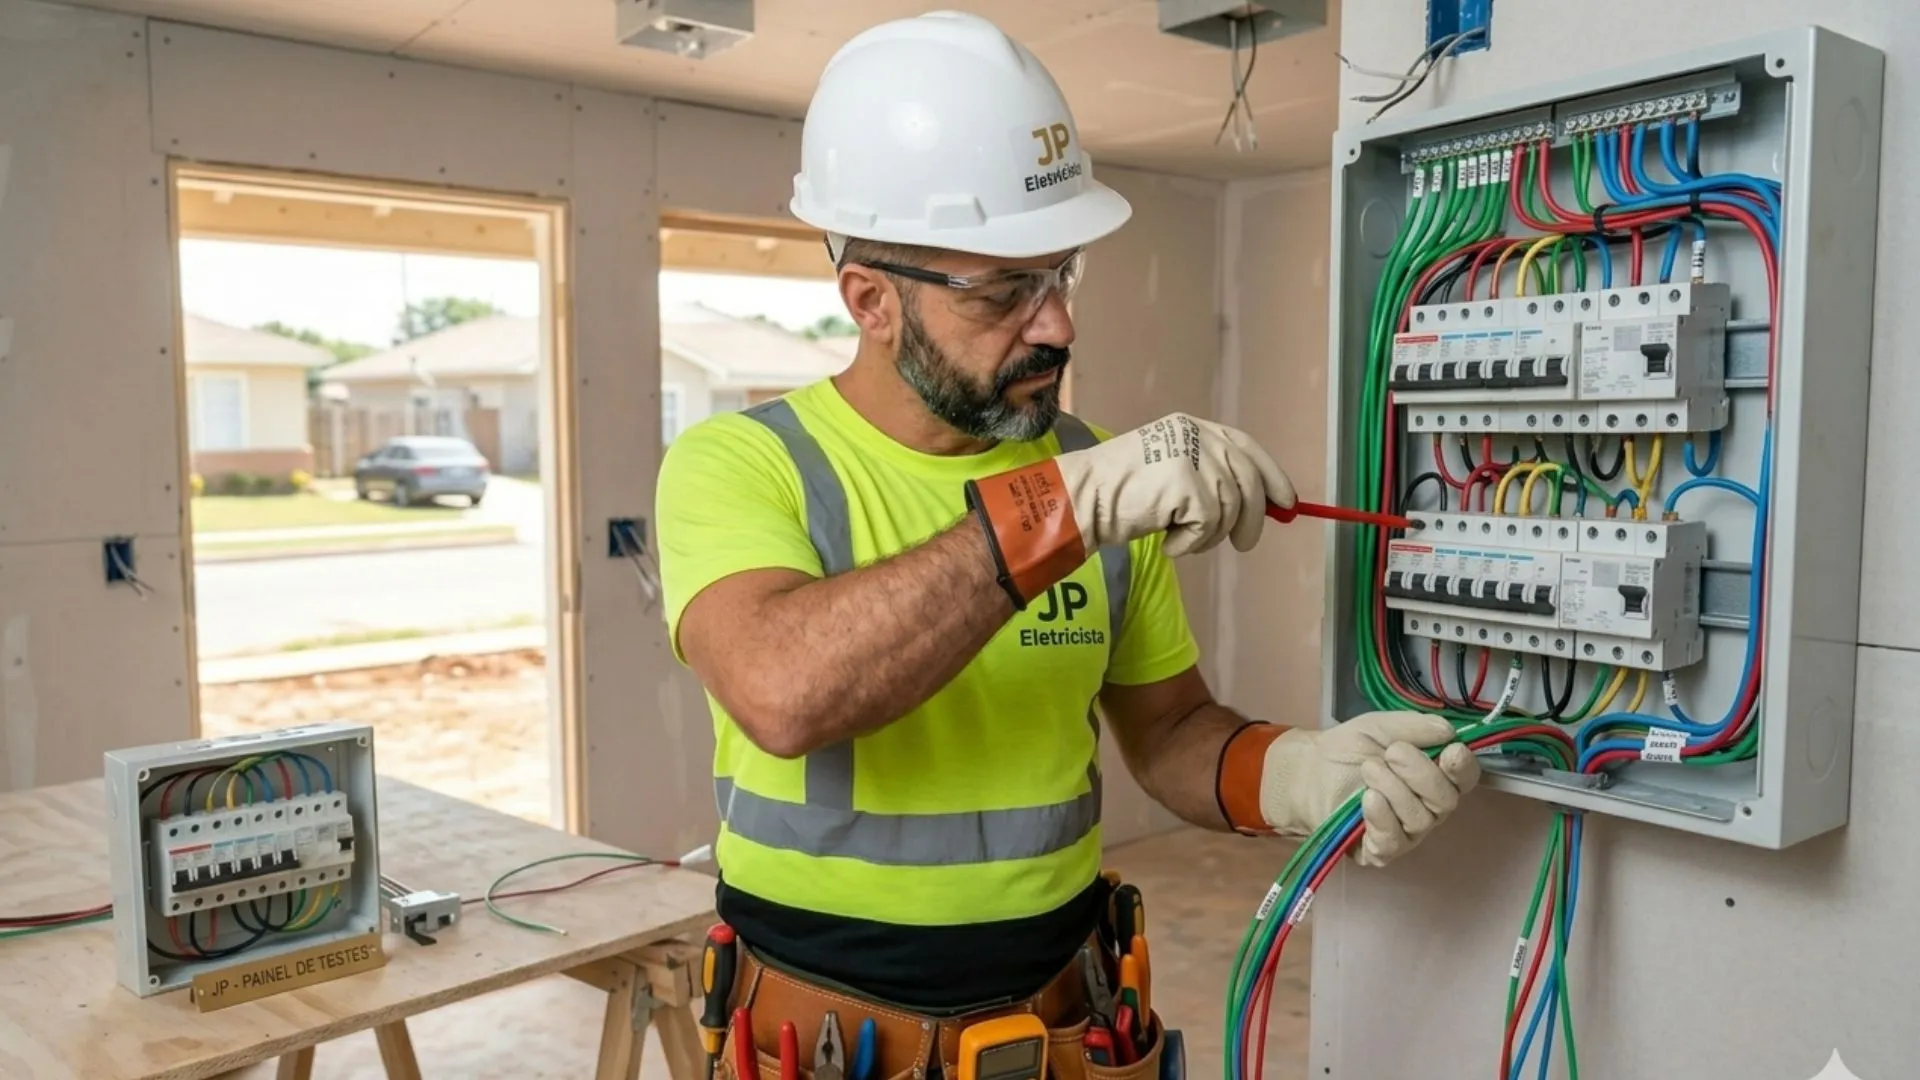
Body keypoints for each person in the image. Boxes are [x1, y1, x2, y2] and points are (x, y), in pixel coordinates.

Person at [654, 10, 1480, 1078]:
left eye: (1062, 276)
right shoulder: (747, 465)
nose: (1056, 327)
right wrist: (1063, 507)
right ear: (871, 301)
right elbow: (783, 692)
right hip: (822, 1038)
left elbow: (1172, 727)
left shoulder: (1092, 474)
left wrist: (1301, 777)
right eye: (1004, 291)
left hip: (1067, 1025)